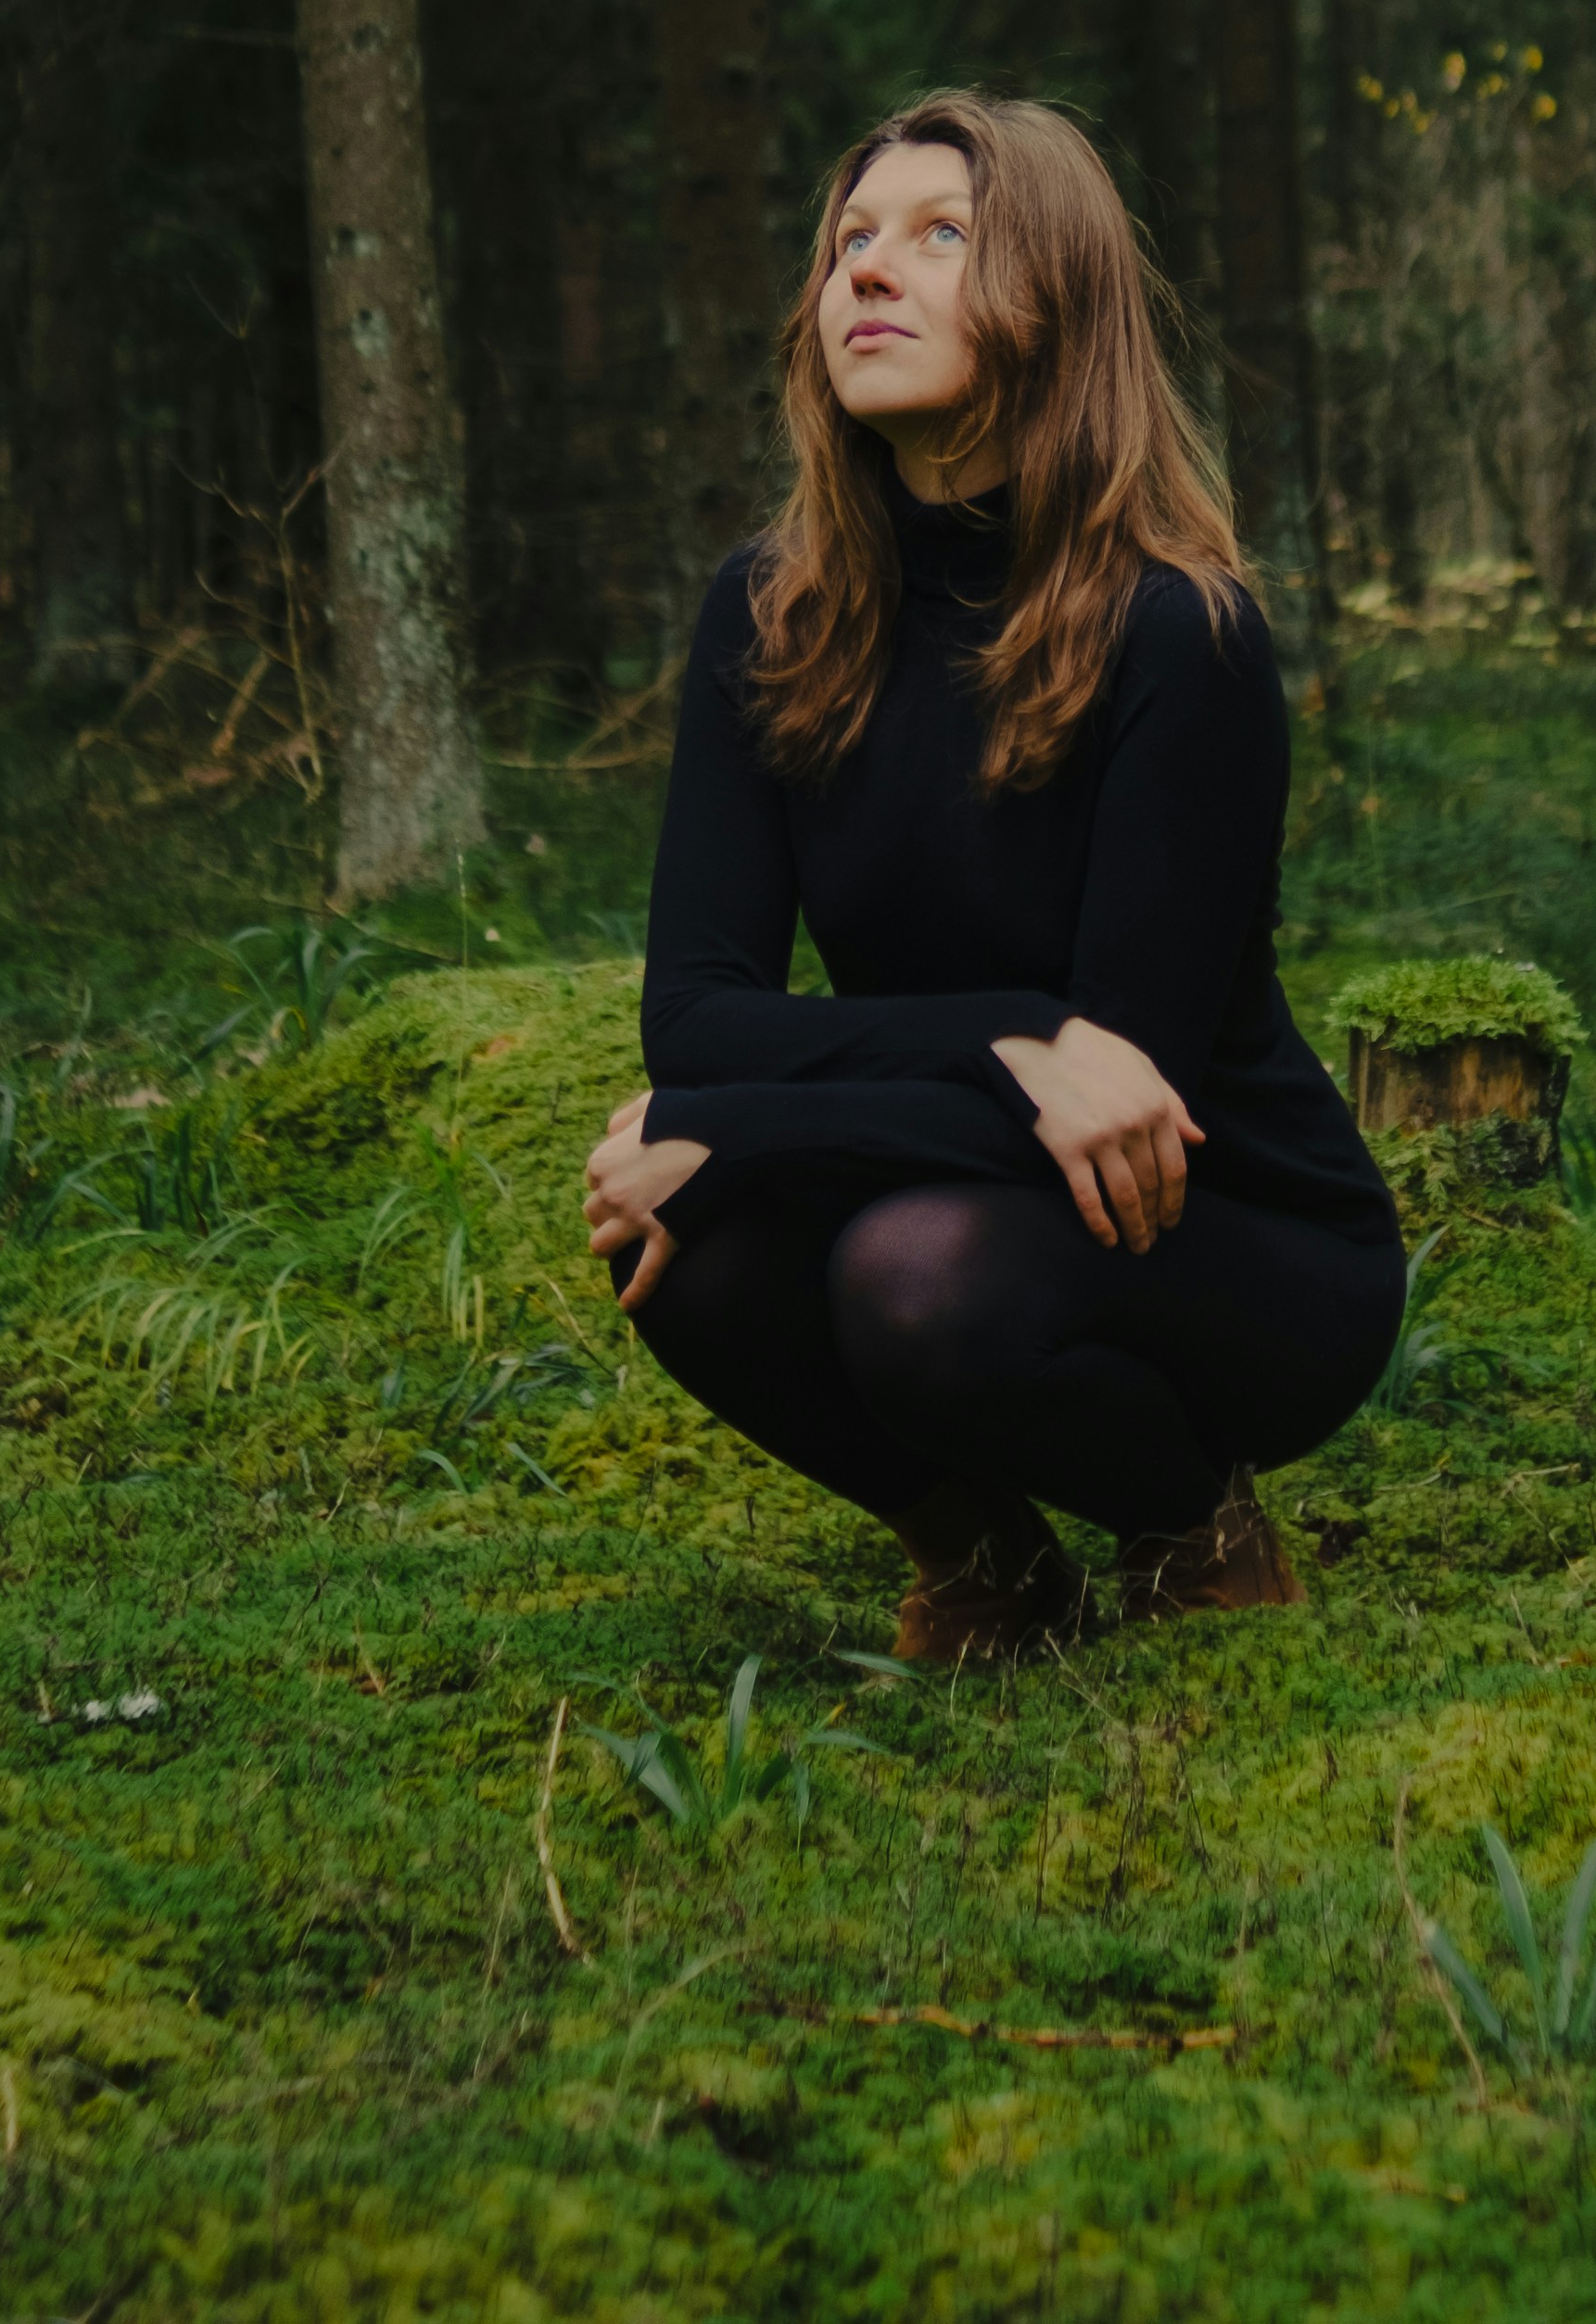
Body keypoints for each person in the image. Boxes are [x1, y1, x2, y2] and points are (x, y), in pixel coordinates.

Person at [583, 90, 1407, 1661]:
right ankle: (989, 1561)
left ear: (1055, 303)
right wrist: (1015, 1037)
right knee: (678, 1250)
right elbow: (693, 1018)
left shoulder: (1180, 631)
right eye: (850, 239)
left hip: (1231, 1232)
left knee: (906, 1266)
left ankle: (1196, 1533)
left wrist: (734, 1130)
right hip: (978, 1153)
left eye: (939, 236)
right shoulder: (767, 613)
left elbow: (1129, 1112)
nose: (866, 270)